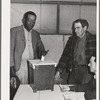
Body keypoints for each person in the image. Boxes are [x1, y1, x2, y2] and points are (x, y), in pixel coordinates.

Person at [55, 18, 96, 85]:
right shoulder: (72, 40)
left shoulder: (94, 40)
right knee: (70, 89)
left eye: (78, 28)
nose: (75, 30)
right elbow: (65, 56)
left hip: (87, 72)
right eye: (74, 28)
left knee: (85, 91)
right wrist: (58, 71)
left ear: (85, 28)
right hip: (74, 70)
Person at [10, 11, 47, 84]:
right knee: (21, 89)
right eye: (29, 20)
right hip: (20, 65)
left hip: (32, 65)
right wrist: (11, 69)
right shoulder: (14, 31)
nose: (32, 23)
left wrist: (42, 51)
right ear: (23, 20)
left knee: (31, 87)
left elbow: (40, 46)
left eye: (34, 21)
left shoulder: (36, 34)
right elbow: (10, 51)